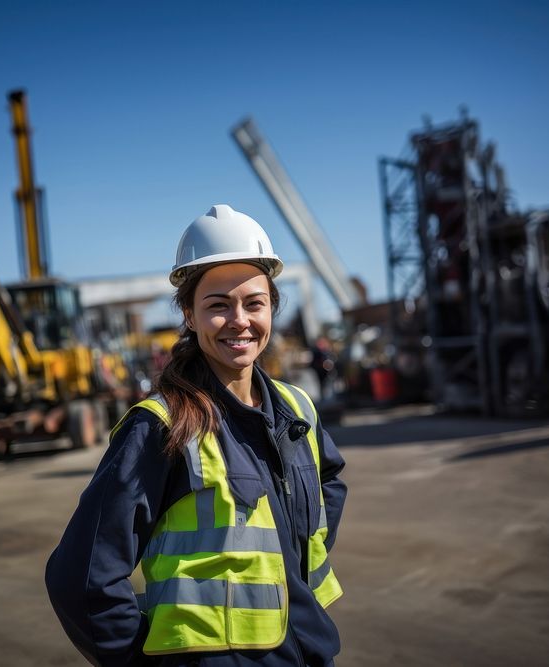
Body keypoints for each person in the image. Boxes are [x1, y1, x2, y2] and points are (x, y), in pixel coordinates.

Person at [45, 204, 347, 666]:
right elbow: (82, 577)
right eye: (218, 306)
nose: (239, 320)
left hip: (307, 652)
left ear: (272, 308)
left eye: (254, 303)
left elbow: (329, 487)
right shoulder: (161, 425)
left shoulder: (297, 408)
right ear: (189, 313)